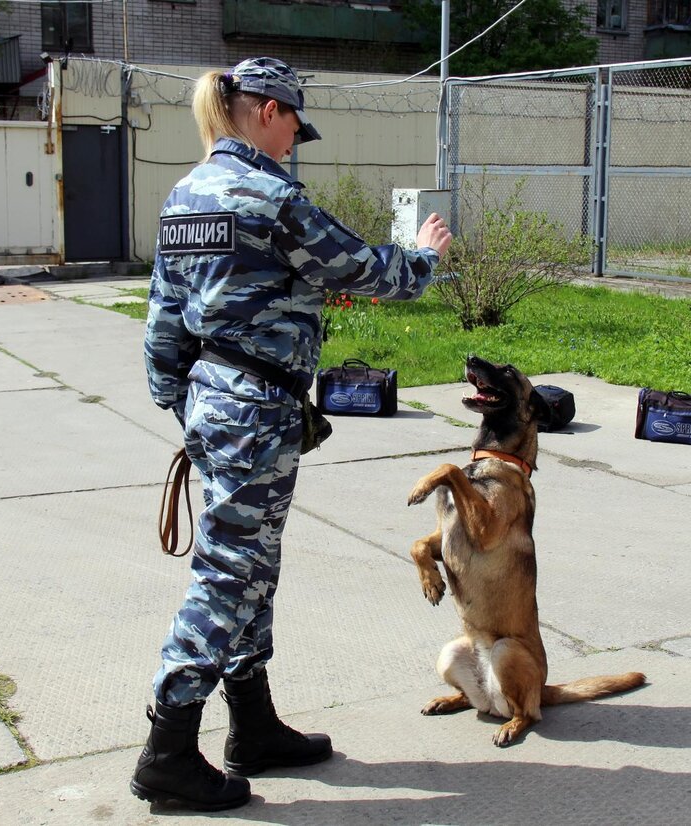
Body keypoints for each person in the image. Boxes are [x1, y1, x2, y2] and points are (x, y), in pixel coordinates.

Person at [130, 56, 452, 811]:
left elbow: (162, 316)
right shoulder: (269, 197)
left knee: (252, 564)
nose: (293, 144)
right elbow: (365, 270)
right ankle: (167, 750)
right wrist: (427, 258)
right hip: (255, 408)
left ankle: (253, 725)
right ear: (268, 111)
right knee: (229, 574)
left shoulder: (187, 194)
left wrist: (186, 403)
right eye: (293, 129)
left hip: (216, 402)